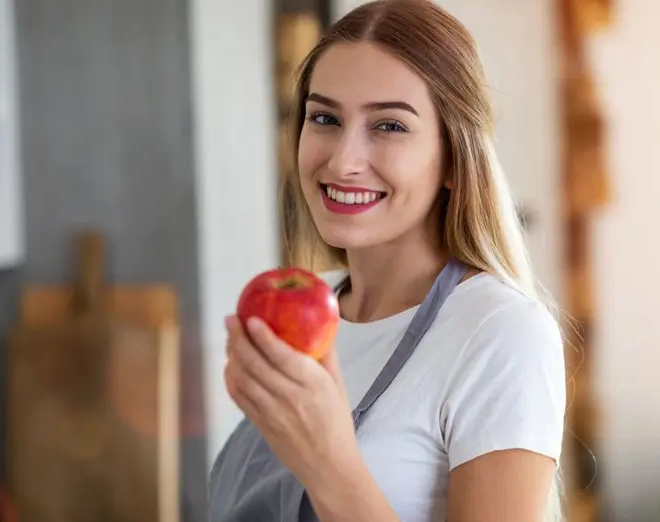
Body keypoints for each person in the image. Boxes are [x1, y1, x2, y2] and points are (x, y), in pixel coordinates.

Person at [208, 0, 567, 521]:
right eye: (325, 118)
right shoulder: (313, 306)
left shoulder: (499, 332)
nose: (342, 160)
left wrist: (328, 464)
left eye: (389, 126)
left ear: (453, 158)